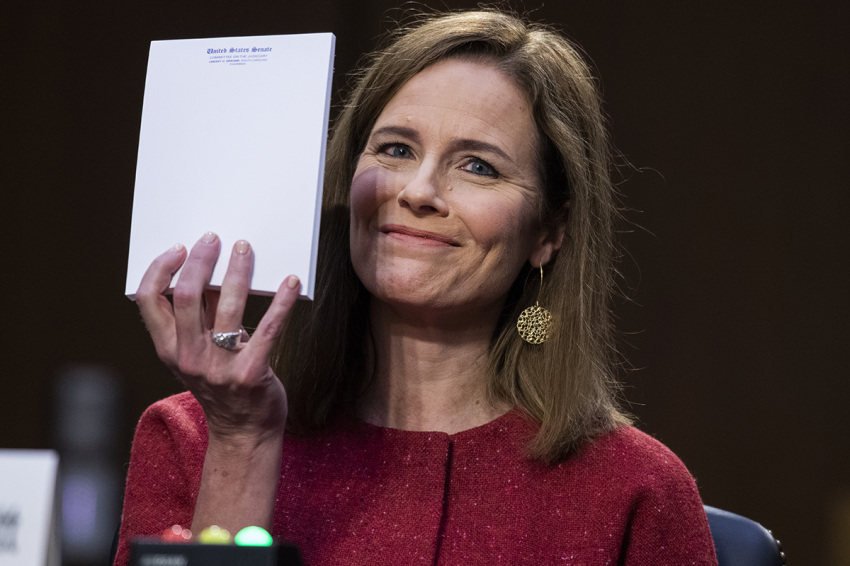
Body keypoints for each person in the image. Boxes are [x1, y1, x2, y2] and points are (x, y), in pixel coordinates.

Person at [114, 9, 718, 565]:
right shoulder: (191, 438)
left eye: (478, 165)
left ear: (548, 232)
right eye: (396, 149)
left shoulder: (636, 490)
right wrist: (242, 442)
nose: (419, 191)